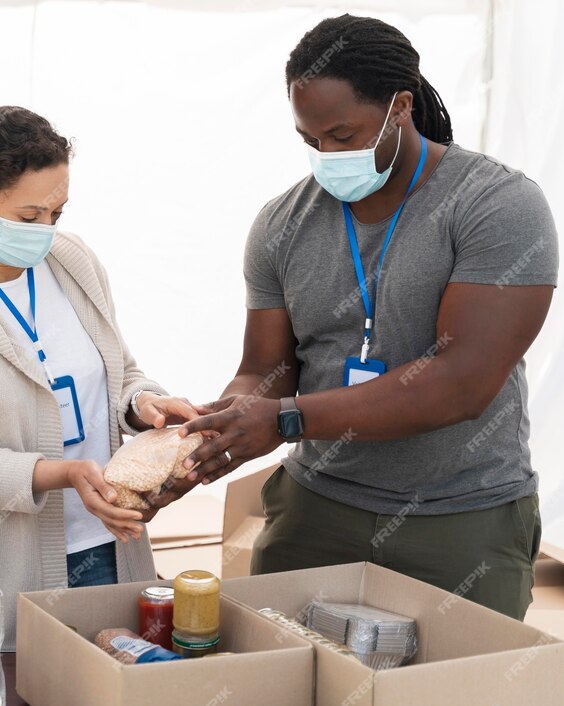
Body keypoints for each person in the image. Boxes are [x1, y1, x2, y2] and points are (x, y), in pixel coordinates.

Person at [154, 14, 557, 620]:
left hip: (459, 520)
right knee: (290, 679)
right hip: (317, 509)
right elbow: (267, 369)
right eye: (309, 140)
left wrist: (284, 419)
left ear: (400, 105)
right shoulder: (281, 224)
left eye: (343, 135)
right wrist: (221, 427)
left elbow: (462, 384)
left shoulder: (496, 205)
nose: (326, 154)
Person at [0, 106, 198, 649]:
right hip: (4, 568)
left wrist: (145, 404)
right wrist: (61, 475)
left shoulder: (73, 262)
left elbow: (119, 371)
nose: (47, 231)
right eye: (30, 216)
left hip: (109, 541)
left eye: (58, 211)